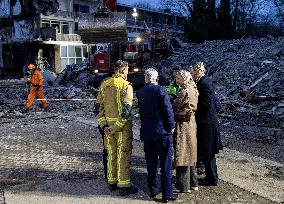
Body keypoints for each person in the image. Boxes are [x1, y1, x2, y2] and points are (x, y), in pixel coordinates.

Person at [96, 60, 138, 196]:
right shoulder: (127, 86)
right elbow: (126, 110)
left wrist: (105, 126)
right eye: (127, 70)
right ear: (122, 70)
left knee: (111, 154)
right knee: (123, 154)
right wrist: (117, 127)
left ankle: (112, 182)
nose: (128, 72)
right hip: (122, 128)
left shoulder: (104, 85)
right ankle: (124, 185)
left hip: (108, 128)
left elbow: (98, 108)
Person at [136, 68, 177, 203]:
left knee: (151, 163)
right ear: (156, 78)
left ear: (146, 78)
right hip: (162, 132)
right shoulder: (160, 90)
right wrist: (171, 126)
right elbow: (167, 109)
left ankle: (153, 189)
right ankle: (167, 194)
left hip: (148, 133)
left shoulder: (140, 92)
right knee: (165, 163)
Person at [189, 62, 223, 186]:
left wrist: (193, 109)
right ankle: (211, 176)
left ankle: (212, 179)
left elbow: (207, 104)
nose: (191, 75)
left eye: (192, 72)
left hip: (207, 123)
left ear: (198, 71)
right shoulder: (202, 82)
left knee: (208, 153)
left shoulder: (204, 83)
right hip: (205, 122)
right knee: (206, 152)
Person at [172, 69, 199, 193]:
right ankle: (194, 183)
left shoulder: (184, 91)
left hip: (183, 124)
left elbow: (175, 107)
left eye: (178, 78)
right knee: (191, 152)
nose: (176, 80)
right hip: (192, 123)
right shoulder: (194, 88)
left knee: (182, 153)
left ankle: (182, 185)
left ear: (183, 78)